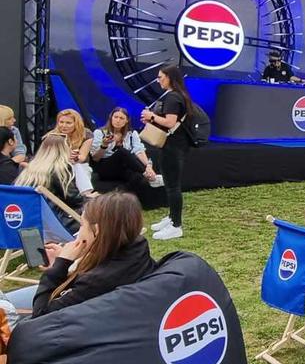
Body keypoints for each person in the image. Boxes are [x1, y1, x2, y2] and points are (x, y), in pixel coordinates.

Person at [20, 192, 157, 318]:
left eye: (81, 225)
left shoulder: (95, 282)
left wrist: (58, 267)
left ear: (97, 230)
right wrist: (65, 261)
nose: (79, 231)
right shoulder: (137, 247)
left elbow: (40, 314)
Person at [142, 64, 195, 241]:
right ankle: (172, 218)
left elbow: (170, 122)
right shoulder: (178, 95)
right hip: (173, 145)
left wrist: (152, 117)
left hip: (173, 146)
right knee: (171, 183)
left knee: (172, 186)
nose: (158, 81)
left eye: (161, 77)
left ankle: (176, 225)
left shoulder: (173, 97)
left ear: (170, 78)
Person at [14, 133, 83, 230]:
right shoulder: (60, 169)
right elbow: (75, 200)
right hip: (54, 221)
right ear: (64, 150)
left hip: (28, 218)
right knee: (95, 206)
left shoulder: (29, 168)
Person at [91, 107, 162, 194]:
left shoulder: (132, 134)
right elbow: (95, 158)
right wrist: (104, 145)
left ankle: (148, 181)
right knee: (122, 152)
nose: (118, 120)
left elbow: (139, 151)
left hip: (123, 168)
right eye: (115, 117)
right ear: (111, 118)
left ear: (127, 120)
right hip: (105, 168)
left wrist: (148, 167)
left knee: (137, 175)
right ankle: (152, 178)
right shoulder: (100, 132)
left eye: (121, 118)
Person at [51, 109, 95, 197]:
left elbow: (82, 157)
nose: (64, 126)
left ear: (76, 123)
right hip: (56, 164)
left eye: (68, 123)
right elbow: (50, 156)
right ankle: (86, 193)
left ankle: (84, 195)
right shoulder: (53, 135)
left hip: (79, 164)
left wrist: (74, 157)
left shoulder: (86, 134)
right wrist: (66, 156)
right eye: (61, 122)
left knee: (76, 165)